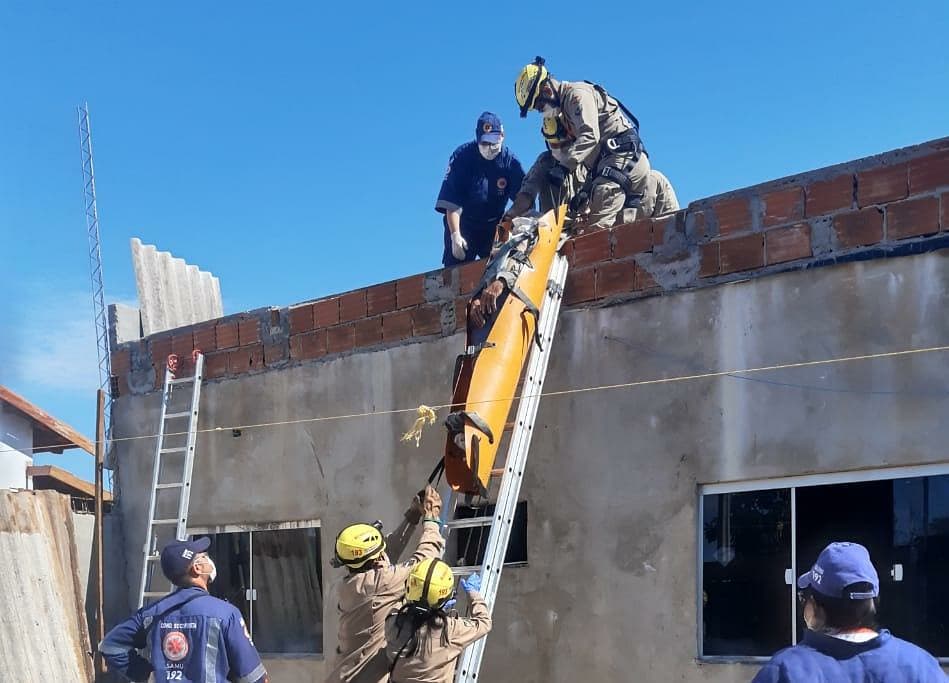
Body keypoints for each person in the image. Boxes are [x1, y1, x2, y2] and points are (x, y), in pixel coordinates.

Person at [751, 541, 946, 682]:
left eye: (805, 598)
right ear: (874, 602)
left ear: (815, 606)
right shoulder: (921, 667)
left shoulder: (783, 672)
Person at [99, 537, 268, 683]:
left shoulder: (150, 614)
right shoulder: (226, 614)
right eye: (205, 556)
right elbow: (253, 677)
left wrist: (146, 674)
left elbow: (109, 645)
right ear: (197, 568)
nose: (209, 560)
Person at [514, 56, 651, 231]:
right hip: (621, 165)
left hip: (621, 162)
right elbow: (594, 157)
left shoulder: (576, 95)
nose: (541, 112)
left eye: (540, 106)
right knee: (623, 234)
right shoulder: (567, 111)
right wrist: (585, 191)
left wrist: (563, 167)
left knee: (596, 236)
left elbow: (590, 136)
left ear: (547, 90)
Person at [326, 486, 445, 683]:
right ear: (376, 560)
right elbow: (426, 561)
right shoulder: (381, 583)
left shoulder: (350, 584)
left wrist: (412, 516)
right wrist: (431, 520)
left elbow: (387, 552)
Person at [436, 112, 525, 267]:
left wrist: (516, 224)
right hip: (464, 223)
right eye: (484, 143)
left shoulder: (510, 162)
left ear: (502, 136)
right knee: (455, 271)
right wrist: (455, 235)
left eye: (493, 142)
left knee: (501, 268)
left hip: (494, 226)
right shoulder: (462, 157)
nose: (489, 147)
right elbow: (451, 202)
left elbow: (523, 201)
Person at [384, 559, 491, 683]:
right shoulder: (450, 630)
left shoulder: (393, 622)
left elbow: (404, 610)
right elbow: (484, 623)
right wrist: (473, 594)